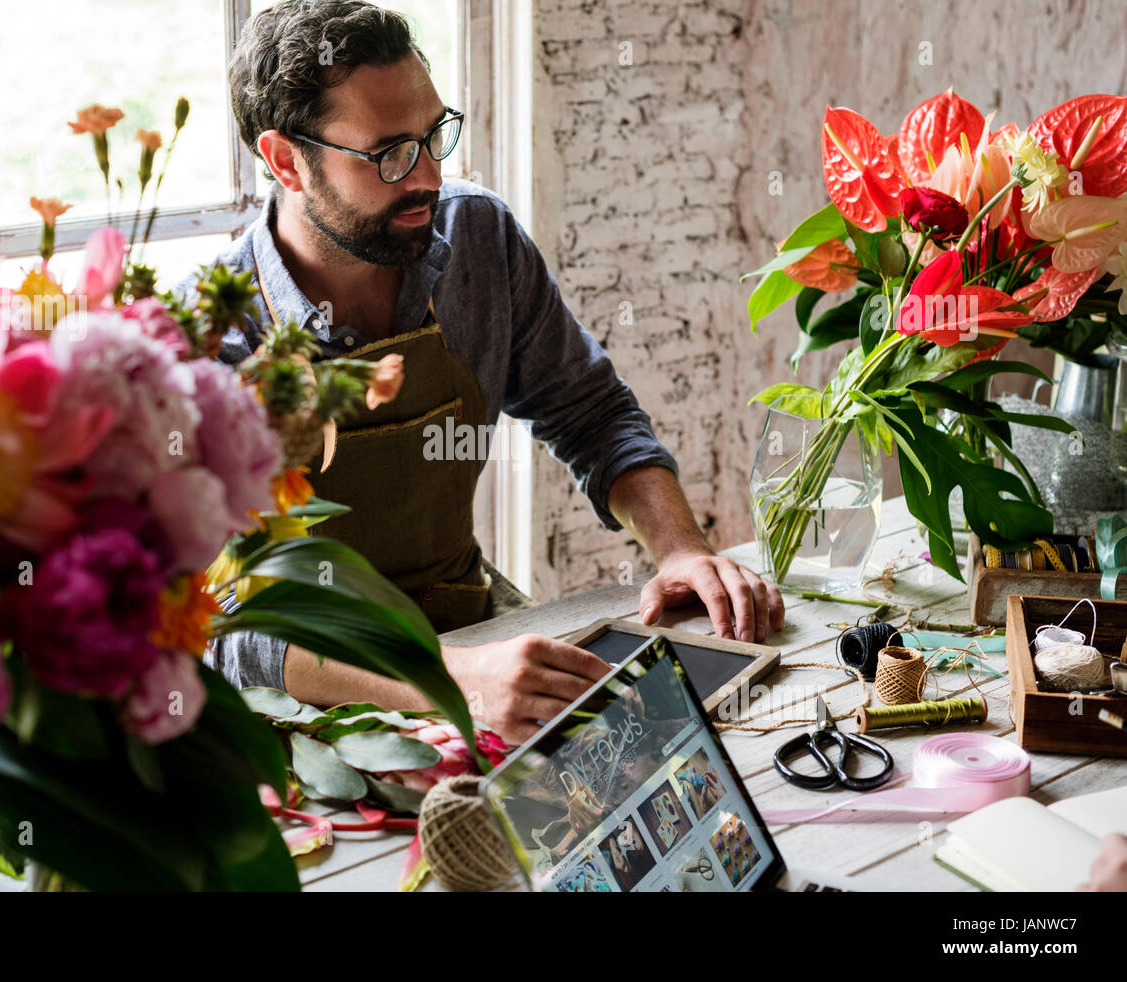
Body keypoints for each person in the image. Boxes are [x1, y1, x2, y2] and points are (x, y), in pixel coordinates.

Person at [204, 0, 785, 745]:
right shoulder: (212, 335)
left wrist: (681, 549)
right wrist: (452, 679)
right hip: (308, 709)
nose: (427, 177)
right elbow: (232, 634)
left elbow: (592, 414)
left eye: (433, 135)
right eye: (389, 154)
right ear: (286, 160)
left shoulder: (475, 236)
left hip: (473, 631)